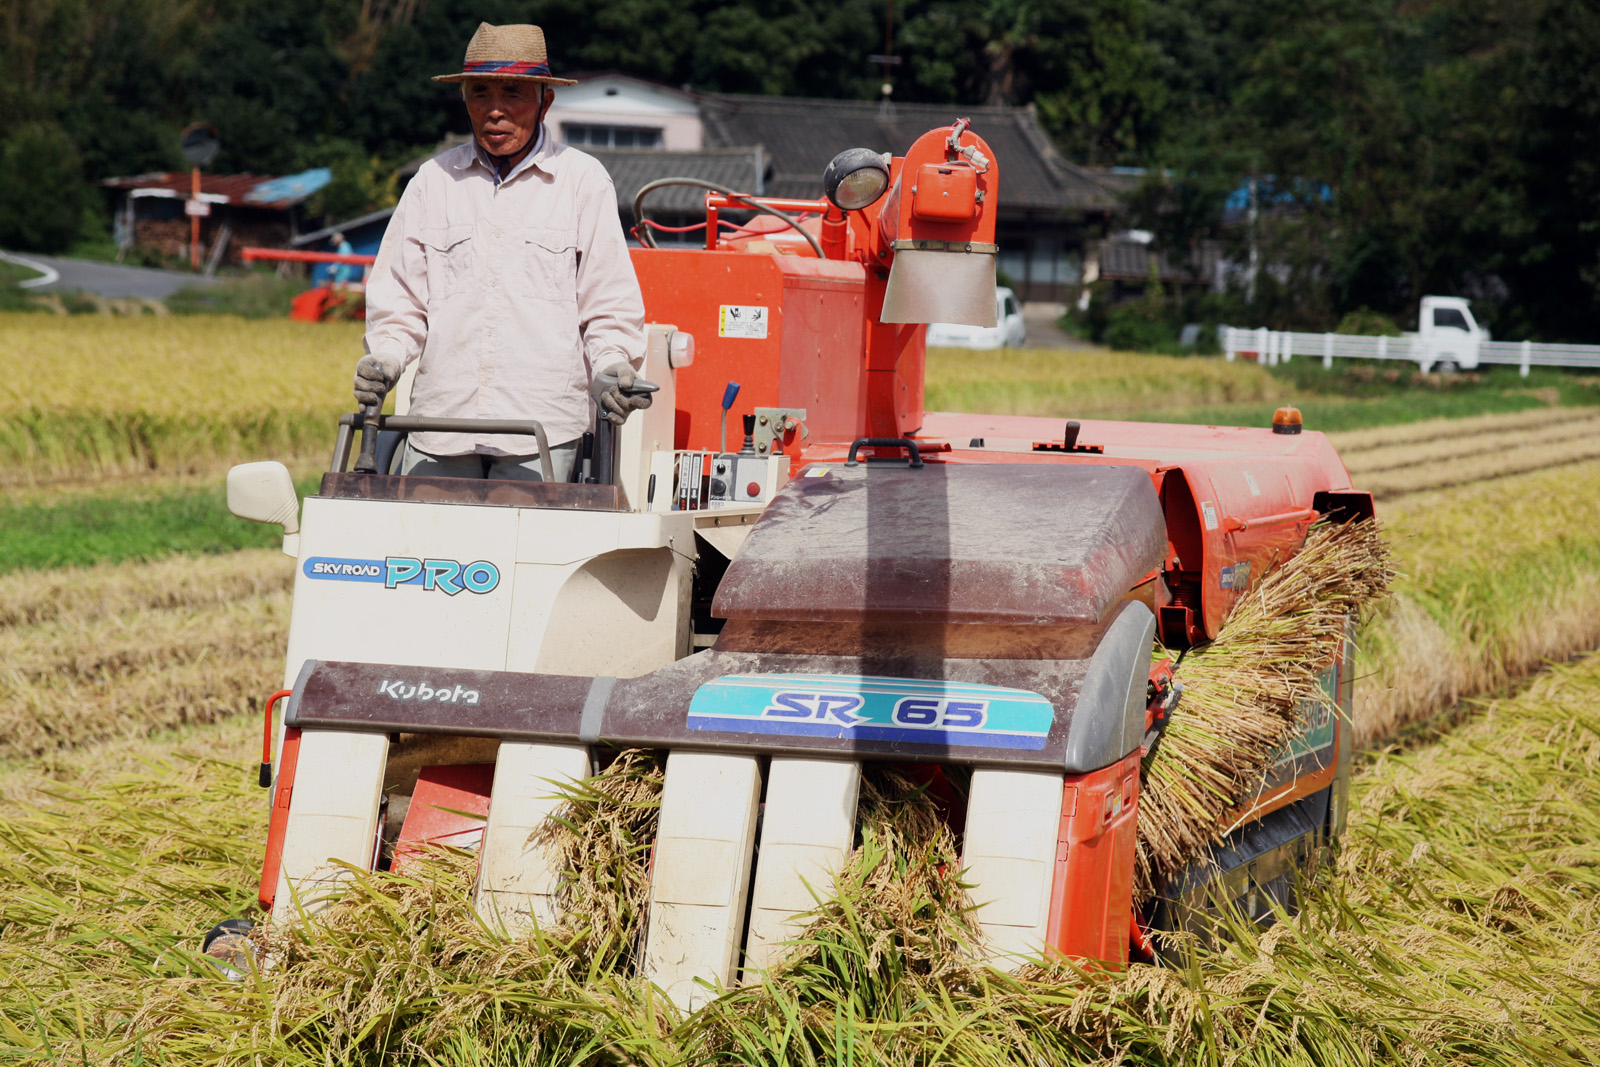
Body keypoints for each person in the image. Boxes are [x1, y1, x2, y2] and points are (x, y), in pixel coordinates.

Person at [354, 22, 651, 482]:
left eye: (512, 93)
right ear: (464, 100)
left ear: (543, 100)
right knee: (428, 553)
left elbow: (608, 304)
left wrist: (613, 366)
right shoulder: (432, 182)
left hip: (542, 430)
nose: (494, 110)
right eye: (479, 93)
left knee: (531, 553)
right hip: (440, 424)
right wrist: (387, 358)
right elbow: (399, 301)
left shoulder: (582, 182)